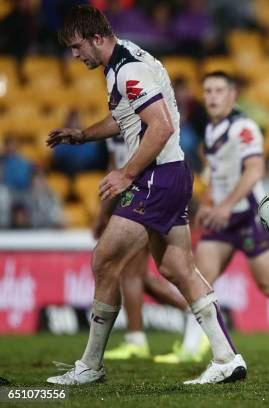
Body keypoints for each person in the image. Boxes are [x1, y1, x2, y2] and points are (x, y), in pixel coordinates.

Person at [45, 5, 245, 385]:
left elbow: (161, 126)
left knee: (104, 258)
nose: (75, 55)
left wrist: (126, 172)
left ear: (96, 38)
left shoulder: (129, 69)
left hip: (156, 176)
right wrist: (82, 135)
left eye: (76, 47)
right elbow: (125, 118)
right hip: (172, 175)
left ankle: (90, 366)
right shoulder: (122, 63)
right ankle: (226, 357)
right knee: (176, 268)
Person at [153, 71, 269, 364]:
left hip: (247, 217)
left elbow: (254, 170)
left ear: (232, 95)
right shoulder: (212, 130)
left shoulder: (243, 127)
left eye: (219, 91)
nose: (212, 97)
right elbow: (215, 172)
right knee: (198, 278)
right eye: (208, 91)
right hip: (222, 223)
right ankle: (191, 346)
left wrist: (226, 206)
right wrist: (210, 203)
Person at [99, 133, 208, 363]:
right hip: (126, 199)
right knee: (146, 277)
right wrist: (103, 212)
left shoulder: (147, 118)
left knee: (134, 272)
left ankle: (136, 338)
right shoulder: (117, 123)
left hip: (148, 195)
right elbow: (114, 166)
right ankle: (197, 316)